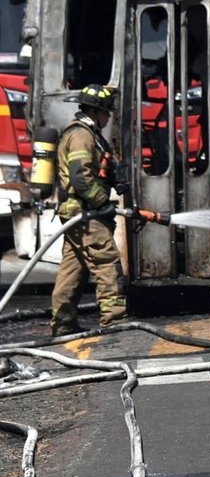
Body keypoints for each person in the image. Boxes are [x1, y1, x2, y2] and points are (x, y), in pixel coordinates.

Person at [50, 84, 127, 336]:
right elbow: (81, 178)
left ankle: (63, 323)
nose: (108, 118)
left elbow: (98, 170)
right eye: (106, 113)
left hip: (77, 213)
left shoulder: (90, 134)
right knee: (107, 262)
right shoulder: (82, 135)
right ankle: (114, 321)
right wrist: (102, 203)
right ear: (96, 111)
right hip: (85, 213)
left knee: (72, 270)